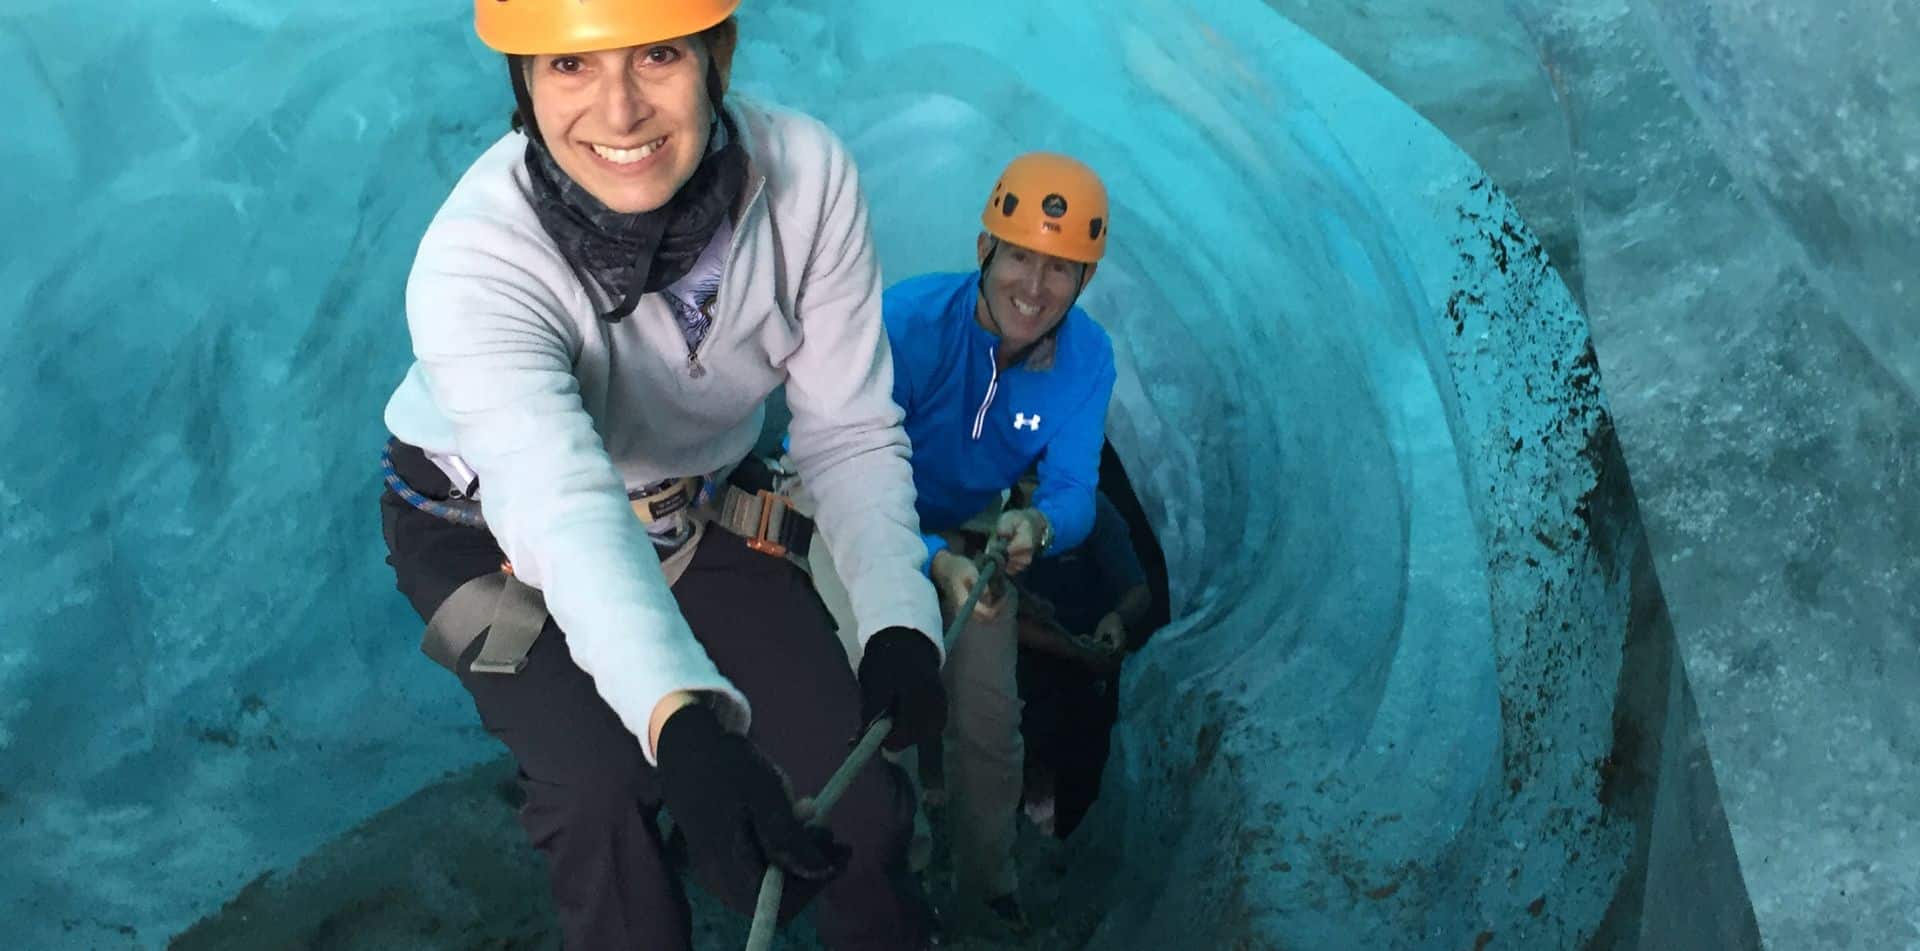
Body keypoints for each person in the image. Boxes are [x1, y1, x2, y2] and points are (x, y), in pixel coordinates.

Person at [374, 2, 946, 948]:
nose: (620, 109)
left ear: (719, 53)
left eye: (659, 53)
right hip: (480, 530)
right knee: (602, 795)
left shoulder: (809, 185)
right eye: (569, 67)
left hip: (696, 507)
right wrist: (682, 723)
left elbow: (847, 429)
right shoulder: (478, 260)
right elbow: (560, 507)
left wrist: (897, 618)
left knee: (857, 794)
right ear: (521, 81)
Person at [805, 151, 1118, 935]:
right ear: (984, 250)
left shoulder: (1087, 359)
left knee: (988, 719)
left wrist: (1037, 526)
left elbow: (1076, 489)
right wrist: (930, 562)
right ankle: (898, 879)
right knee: (889, 701)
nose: (1036, 288)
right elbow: (844, 467)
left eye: (1062, 270)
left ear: (1084, 281)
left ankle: (988, 882)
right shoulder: (906, 326)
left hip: (973, 536)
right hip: (859, 518)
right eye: (1020, 256)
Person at [1011, 488, 1153, 839]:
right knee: (1026, 736)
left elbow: (1138, 590)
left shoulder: (1094, 509)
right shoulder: (1002, 511)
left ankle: (1074, 842)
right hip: (1031, 661)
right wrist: (1074, 650)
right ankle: (1021, 838)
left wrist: (1117, 619)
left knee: (1088, 749)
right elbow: (1006, 621)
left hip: (1091, 658)